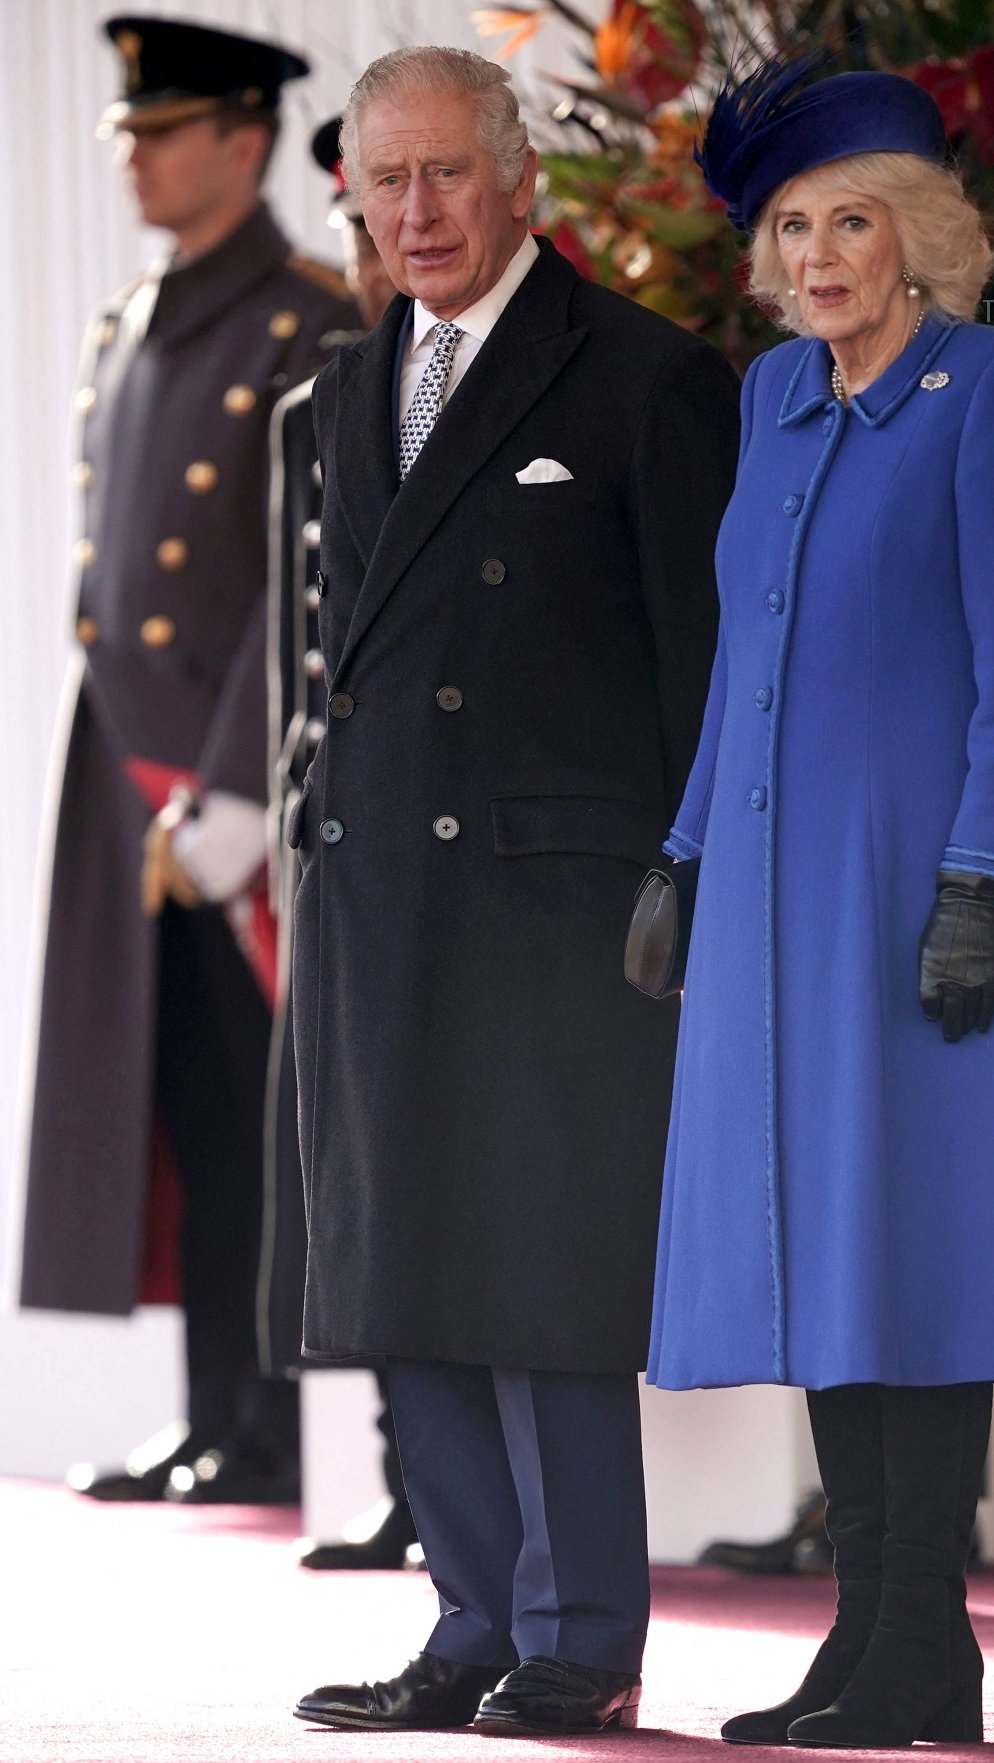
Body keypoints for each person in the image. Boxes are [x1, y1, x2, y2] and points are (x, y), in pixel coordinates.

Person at [645, 62, 994, 1750]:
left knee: (922, 1253)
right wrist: (685, 854)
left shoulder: (993, 387)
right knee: (828, 1262)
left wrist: (985, 880)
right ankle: (871, 1636)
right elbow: (740, 671)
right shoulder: (774, 400)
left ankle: (929, 1635)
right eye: (793, 225)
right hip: (779, 907)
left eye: (854, 217)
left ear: (921, 236)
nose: (822, 250)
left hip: (921, 895)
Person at [289, 45, 740, 1738]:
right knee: (409, 1272)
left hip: (564, 915)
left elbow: (704, 676)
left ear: (519, 179)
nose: (415, 212)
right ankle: (472, 1618)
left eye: (445, 176)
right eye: (384, 180)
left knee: (548, 1285)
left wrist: (693, 883)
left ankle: (581, 1631)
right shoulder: (346, 390)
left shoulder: (644, 379)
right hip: (382, 896)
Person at [17, 15, 358, 1506]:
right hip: (131, 773)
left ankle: (275, 1424)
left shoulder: (306, 314)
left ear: (245, 137)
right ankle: (215, 1409)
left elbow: (304, 578)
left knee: (269, 1111)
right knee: (179, 1106)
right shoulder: (129, 320)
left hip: (239, 781)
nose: (140, 157)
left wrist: (238, 785)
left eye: (165, 131)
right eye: (132, 133)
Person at [261, 116, 420, 1572]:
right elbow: (295, 647)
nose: (369, 260)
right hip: (334, 837)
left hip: (438, 846)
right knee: (342, 1179)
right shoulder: (322, 407)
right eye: (357, 230)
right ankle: (397, 1468)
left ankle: (444, 1487)